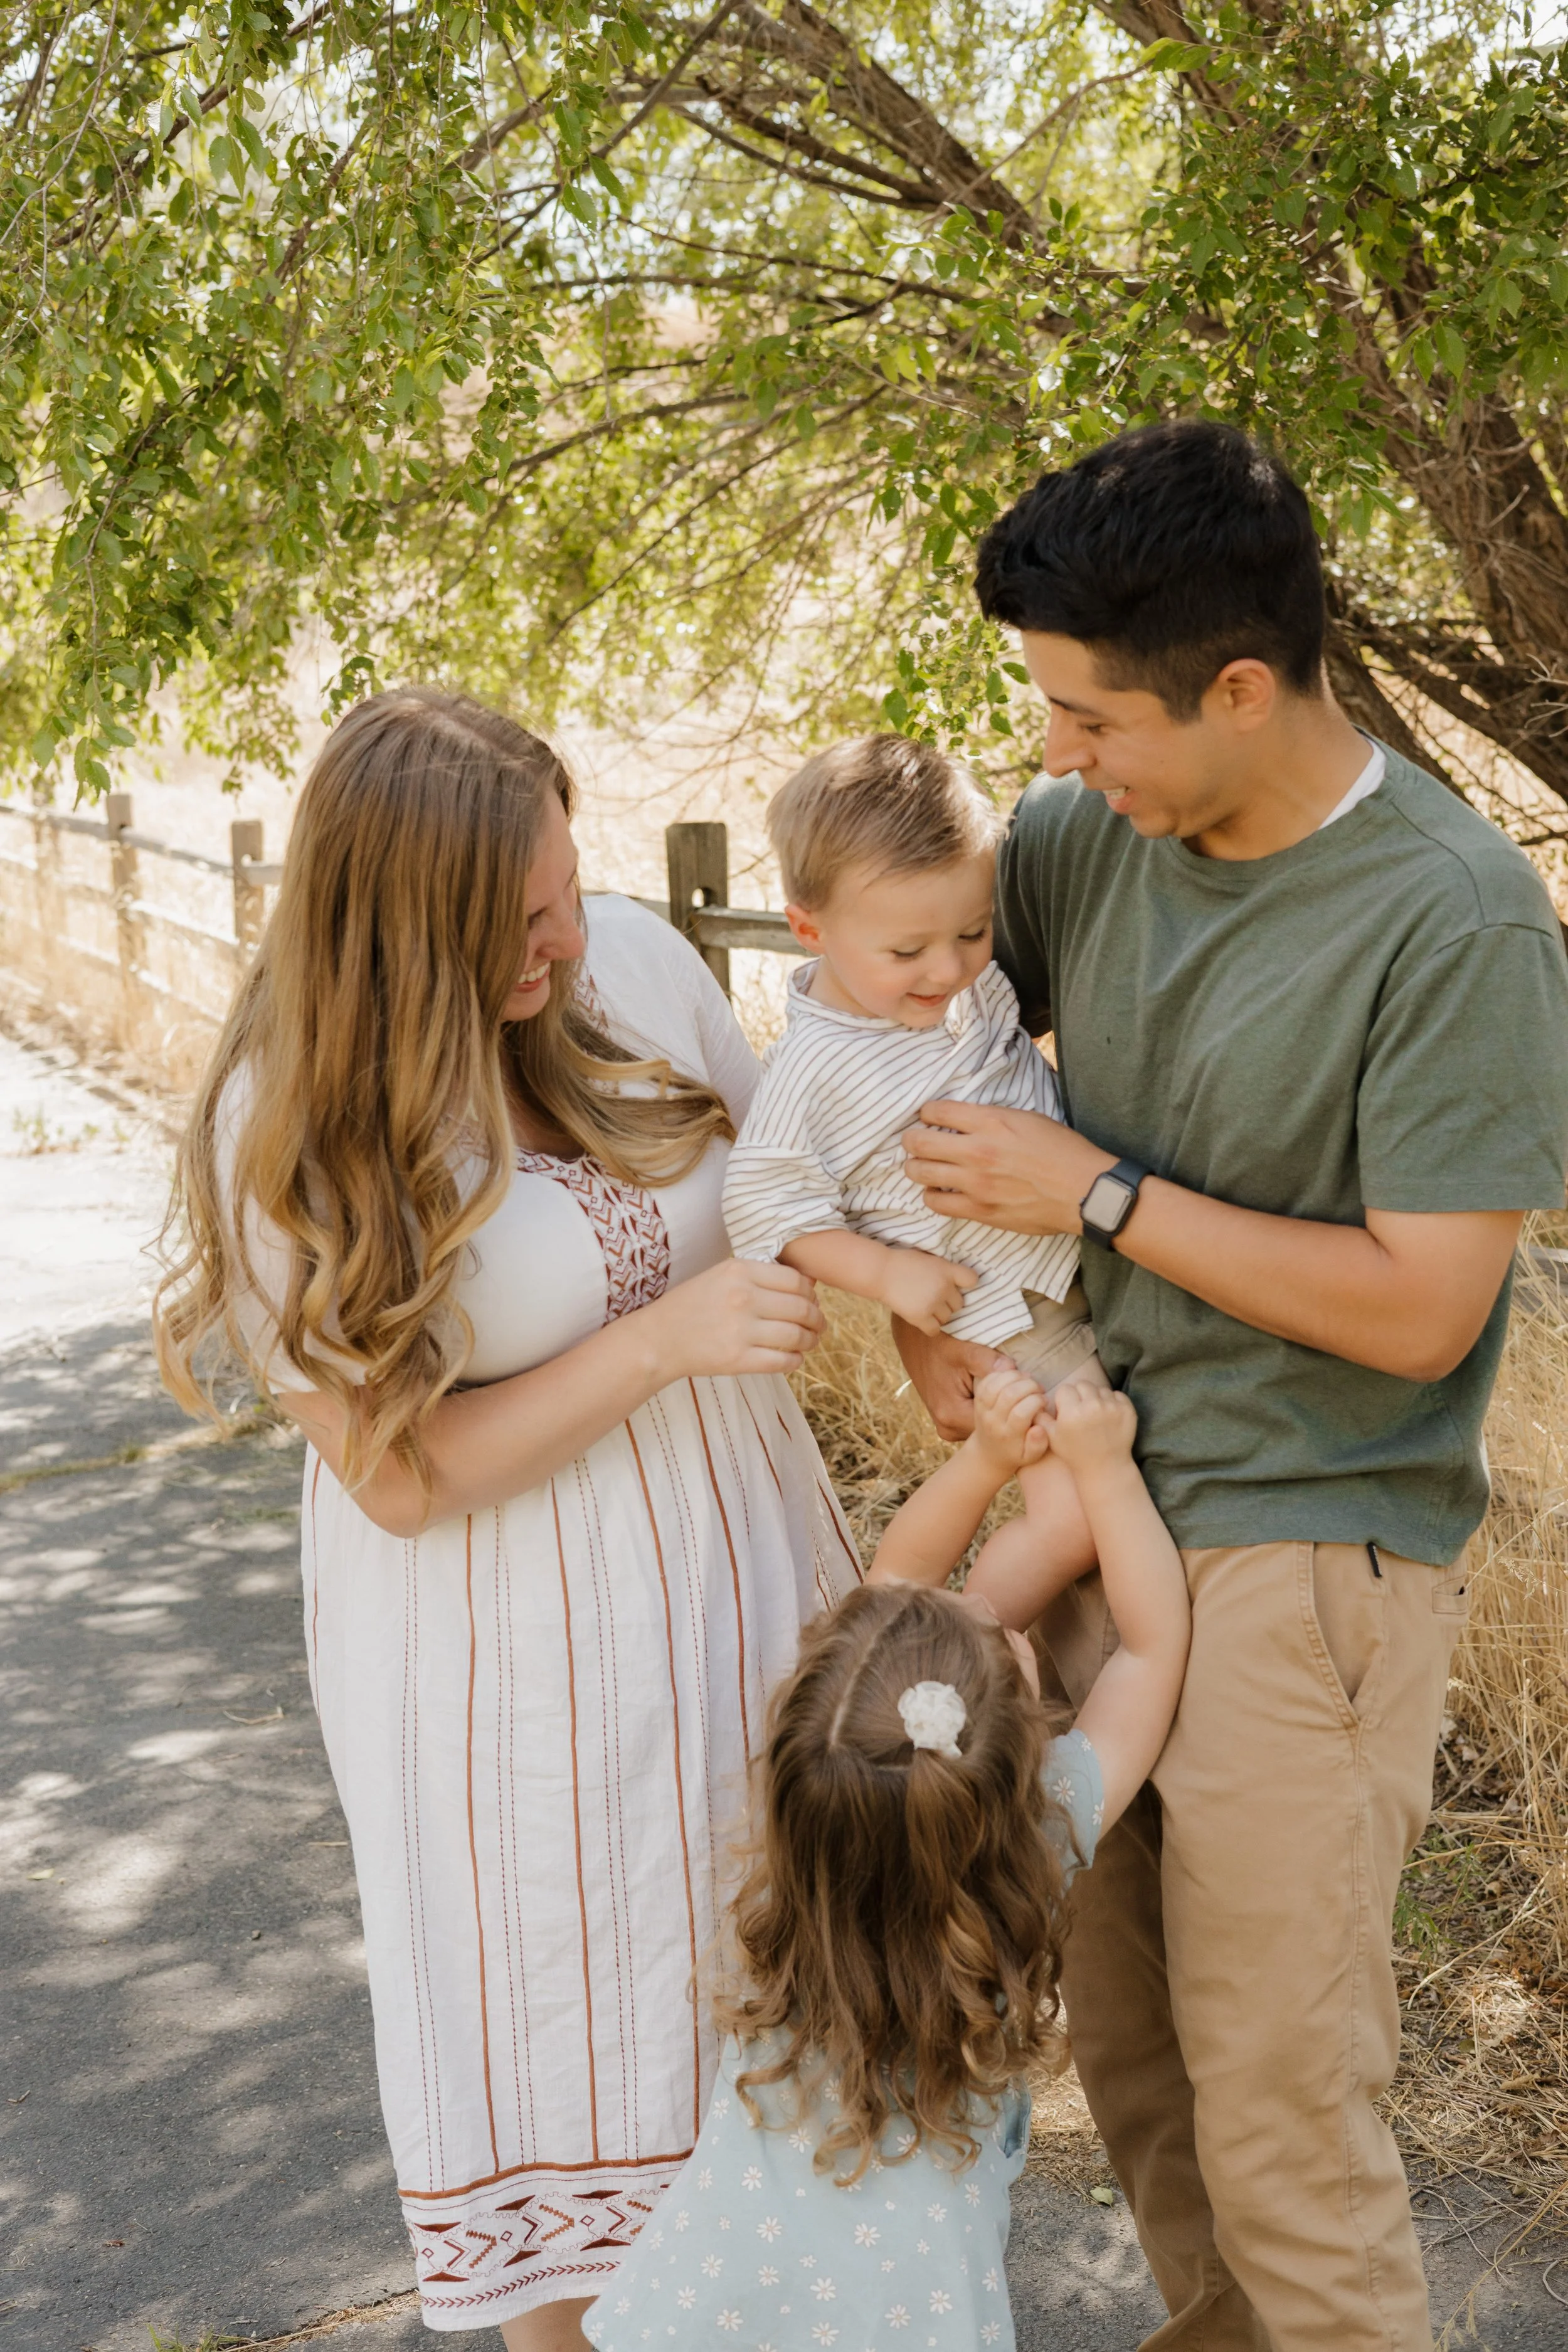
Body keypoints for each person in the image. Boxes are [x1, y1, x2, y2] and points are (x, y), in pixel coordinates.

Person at [893, 420, 1568, 2352]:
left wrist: (1099, 1192)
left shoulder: (1448, 917)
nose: (1049, 754)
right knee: (1140, 2082)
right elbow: (904, 1069)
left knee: (1284, 2108)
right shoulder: (1073, 844)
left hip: (1304, 1545)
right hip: (1077, 1513)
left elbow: (1421, 1308)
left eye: (1087, 715)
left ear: (1244, 687)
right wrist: (918, 1313)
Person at [155, 688, 862, 2346]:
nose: (568, 933)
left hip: (749, 1583)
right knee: (579, 2083)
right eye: (519, 920)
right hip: (507, 1669)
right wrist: (661, 1340)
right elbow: (396, 1478)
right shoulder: (286, 1120)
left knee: (787, 2064)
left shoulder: (625, 956)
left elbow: (786, 1188)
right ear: (403, 929)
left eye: (564, 883)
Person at [582, 1370, 1190, 2352]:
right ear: (1015, 1743)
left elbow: (890, 1590)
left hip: (731, 2298)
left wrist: (984, 1459)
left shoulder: (804, 1842)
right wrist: (1109, 1474)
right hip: (916, 2306)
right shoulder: (1038, 1838)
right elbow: (1150, 1653)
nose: (992, 1608)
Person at [723, 734, 1108, 1631]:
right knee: (1078, 1516)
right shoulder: (813, 1068)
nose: (948, 968)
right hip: (1010, 1316)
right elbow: (761, 1204)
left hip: (1078, 1267)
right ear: (810, 928)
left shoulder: (945, 984)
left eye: (973, 932)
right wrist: (890, 1278)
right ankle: (945, 1640)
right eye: (908, 951)